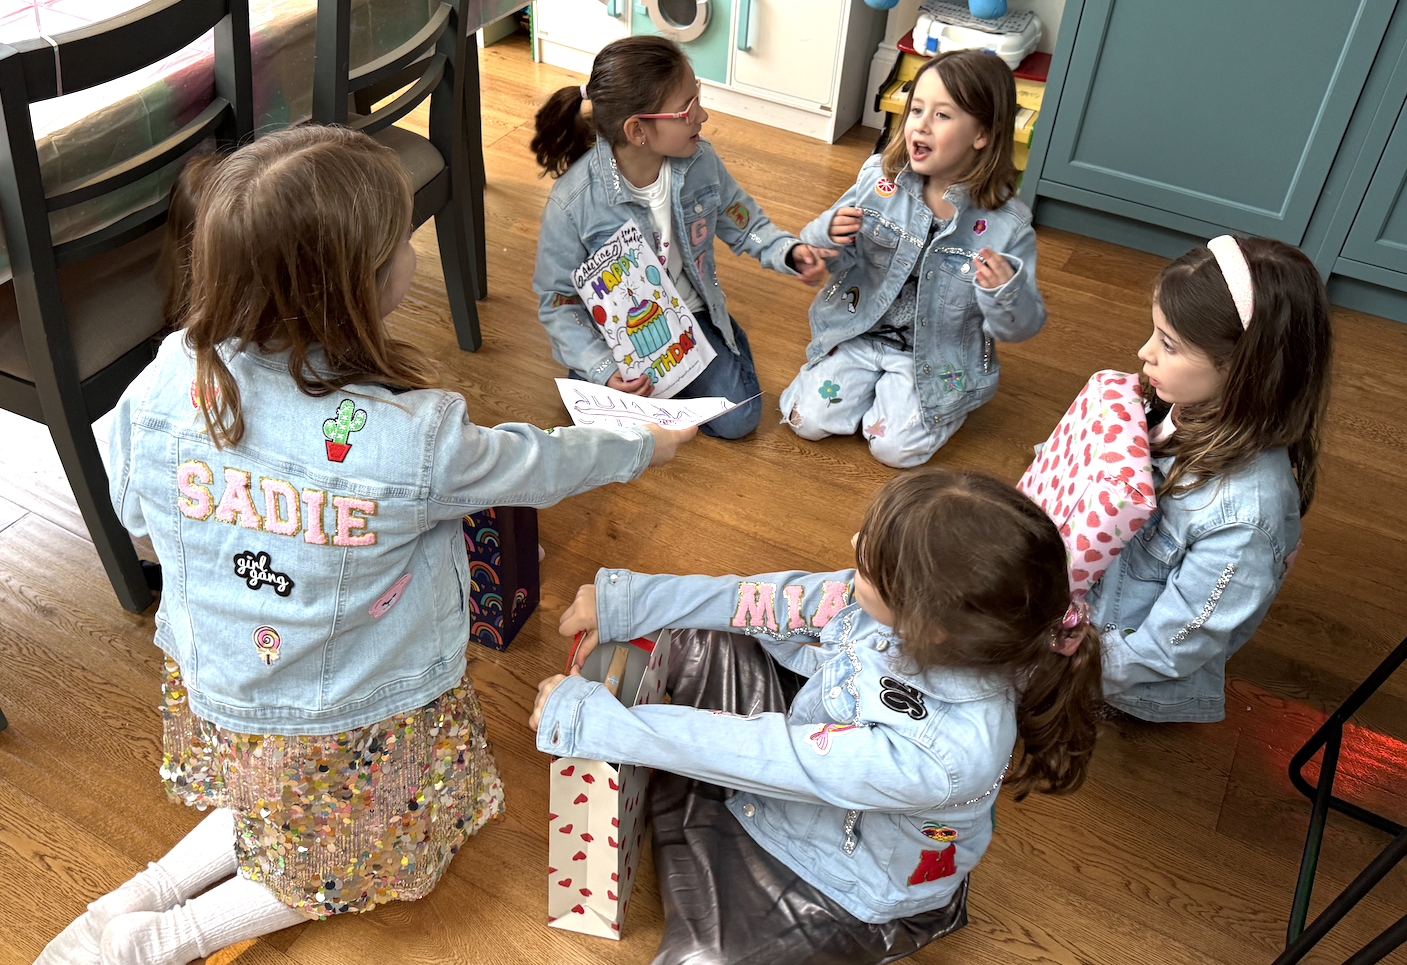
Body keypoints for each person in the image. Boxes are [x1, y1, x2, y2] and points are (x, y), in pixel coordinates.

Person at [23, 124, 694, 965]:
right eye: (402, 244)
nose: (414, 255)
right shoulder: (414, 437)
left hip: (229, 681)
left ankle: (135, 894)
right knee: (340, 859)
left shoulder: (172, 370)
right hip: (357, 710)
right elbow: (535, 465)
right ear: (355, 285)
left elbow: (137, 524)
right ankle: (160, 940)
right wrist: (641, 441)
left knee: (270, 799)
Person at [529, 469, 1101, 965]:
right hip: (809, 769)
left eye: (870, 561)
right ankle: (686, 791)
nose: (853, 547)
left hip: (844, 875)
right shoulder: (914, 609)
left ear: (928, 624)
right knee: (694, 629)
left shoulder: (943, 752)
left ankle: (900, 926)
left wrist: (597, 723)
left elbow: (770, 755)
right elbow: (772, 601)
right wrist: (632, 601)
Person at [530, 35, 834, 439]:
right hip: (616, 340)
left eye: (698, 99)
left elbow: (744, 222)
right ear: (638, 130)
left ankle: (721, 341)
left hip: (689, 316)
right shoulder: (572, 203)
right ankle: (616, 382)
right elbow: (558, 302)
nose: (702, 116)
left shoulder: (701, 163)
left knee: (739, 420)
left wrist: (790, 251)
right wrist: (604, 370)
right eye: (688, 110)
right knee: (600, 428)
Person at [1089, 235, 1333, 722]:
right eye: (1154, 332)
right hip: (1094, 594)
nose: (1144, 352)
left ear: (1243, 367)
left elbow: (1173, 643)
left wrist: (1072, 669)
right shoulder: (1183, 400)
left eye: (1169, 343)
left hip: (1121, 665)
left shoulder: (1243, 521)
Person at [780, 49, 1046, 468]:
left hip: (935, 353)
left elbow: (1021, 326)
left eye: (942, 115)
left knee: (895, 451)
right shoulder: (877, 179)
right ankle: (869, 391)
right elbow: (827, 244)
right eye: (916, 108)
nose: (920, 124)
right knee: (805, 420)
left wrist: (1004, 291)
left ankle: (931, 404)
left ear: (982, 135)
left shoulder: (1008, 226)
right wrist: (823, 238)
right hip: (860, 332)